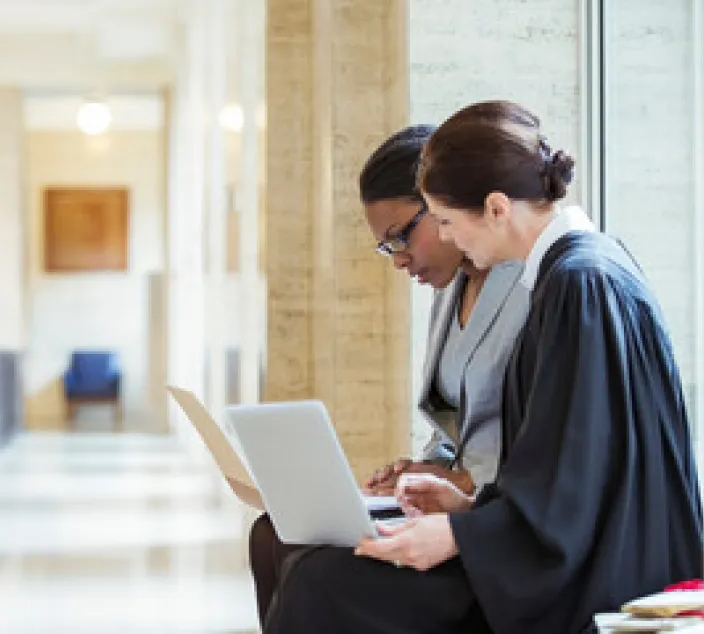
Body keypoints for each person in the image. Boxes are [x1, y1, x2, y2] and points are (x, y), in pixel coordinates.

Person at [263, 100, 703, 634]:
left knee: (322, 584)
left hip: (592, 577)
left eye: (446, 221)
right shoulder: (576, 273)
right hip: (555, 553)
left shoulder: (579, 284)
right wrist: (470, 507)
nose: (448, 239)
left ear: (496, 208)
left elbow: (573, 491)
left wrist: (459, 535)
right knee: (314, 570)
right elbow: (561, 471)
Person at [248, 124, 530, 626]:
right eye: (386, 246)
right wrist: (423, 471)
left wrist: (460, 482)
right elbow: (456, 422)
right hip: (449, 506)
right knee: (273, 533)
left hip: (492, 530)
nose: (399, 258)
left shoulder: (536, 289)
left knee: (318, 577)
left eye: (402, 236)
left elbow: (542, 454)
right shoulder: (449, 289)